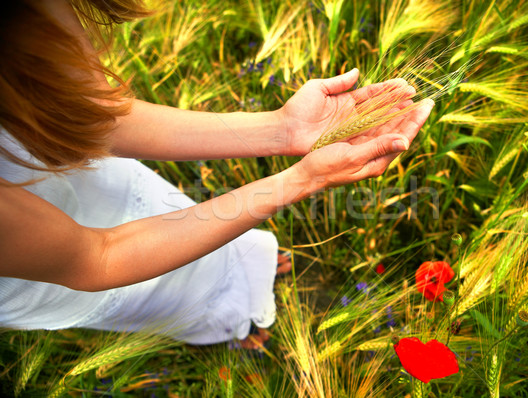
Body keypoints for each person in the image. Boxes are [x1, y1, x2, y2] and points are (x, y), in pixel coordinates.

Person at [0, 0, 434, 348]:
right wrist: (303, 179)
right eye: (64, 48)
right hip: (66, 264)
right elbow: (99, 258)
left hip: (75, 185)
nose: (99, 51)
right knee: (165, 295)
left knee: (164, 212)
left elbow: (82, 118)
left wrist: (283, 129)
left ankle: (242, 268)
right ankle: (230, 323)